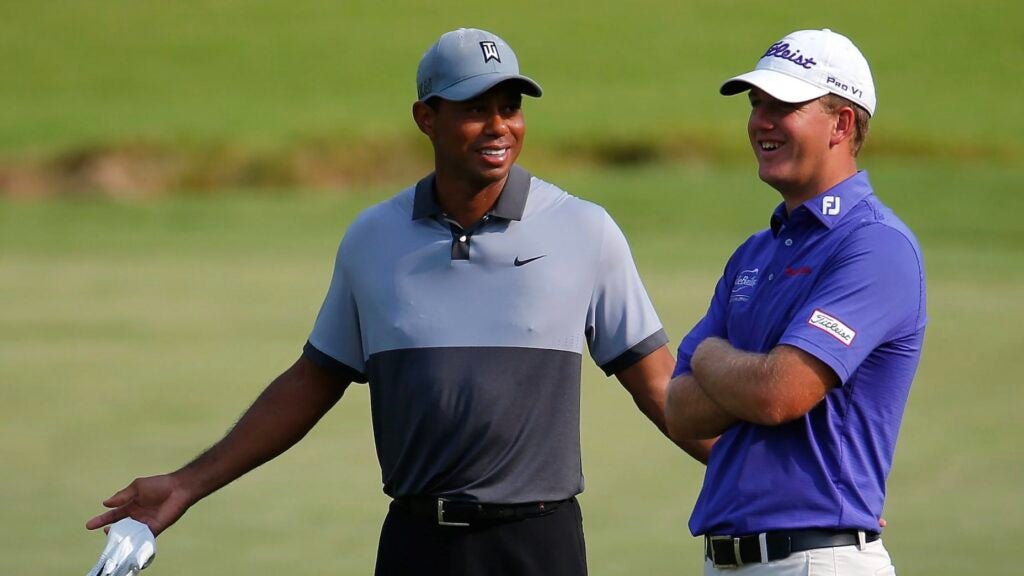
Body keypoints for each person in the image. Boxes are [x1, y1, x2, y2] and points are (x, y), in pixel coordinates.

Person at [87, 28, 709, 576]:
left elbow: (660, 388)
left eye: (510, 107)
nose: (499, 126)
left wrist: (765, 477)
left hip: (537, 543)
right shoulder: (373, 238)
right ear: (426, 118)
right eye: (474, 108)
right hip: (416, 543)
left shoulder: (584, 229)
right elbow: (312, 381)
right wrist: (187, 485)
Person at [664, 29, 927, 575]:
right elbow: (680, 409)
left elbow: (780, 393)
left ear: (841, 123)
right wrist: (753, 374)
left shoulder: (875, 244)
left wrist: (712, 357)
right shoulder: (755, 252)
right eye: (757, 105)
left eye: (783, 106)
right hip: (731, 560)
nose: (760, 121)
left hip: (815, 560)